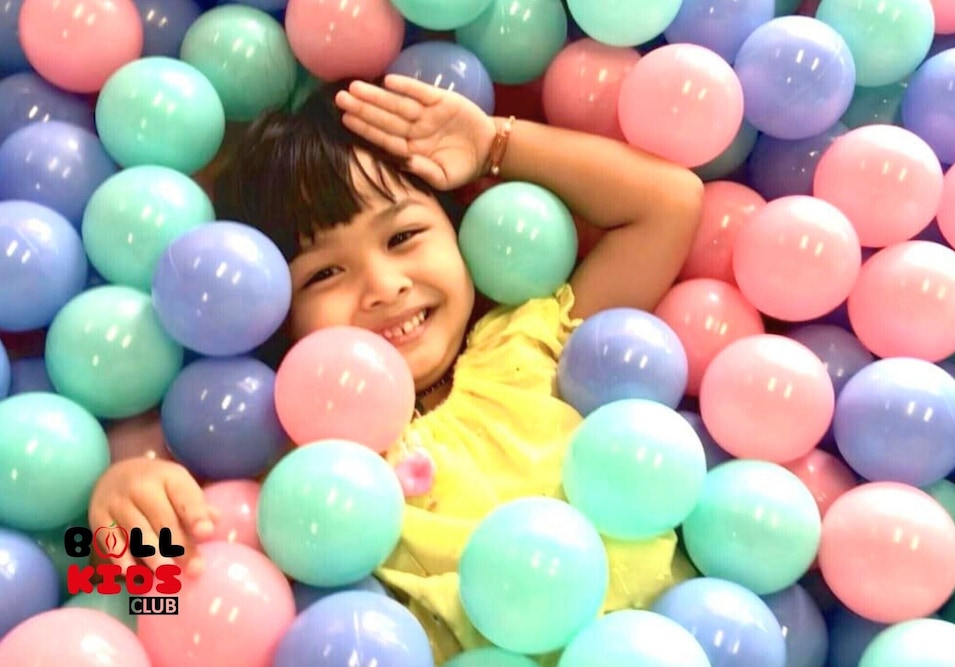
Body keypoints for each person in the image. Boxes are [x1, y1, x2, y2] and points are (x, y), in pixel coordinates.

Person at [88, 74, 704, 662]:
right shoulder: (307, 463)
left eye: (403, 236)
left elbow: (670, 201)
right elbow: (172, 576)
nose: (384, 287)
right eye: (324, 274)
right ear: (275, 317)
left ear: (460, 230)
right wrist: (125, 491)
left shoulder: (533, 342)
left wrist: (493, 145)